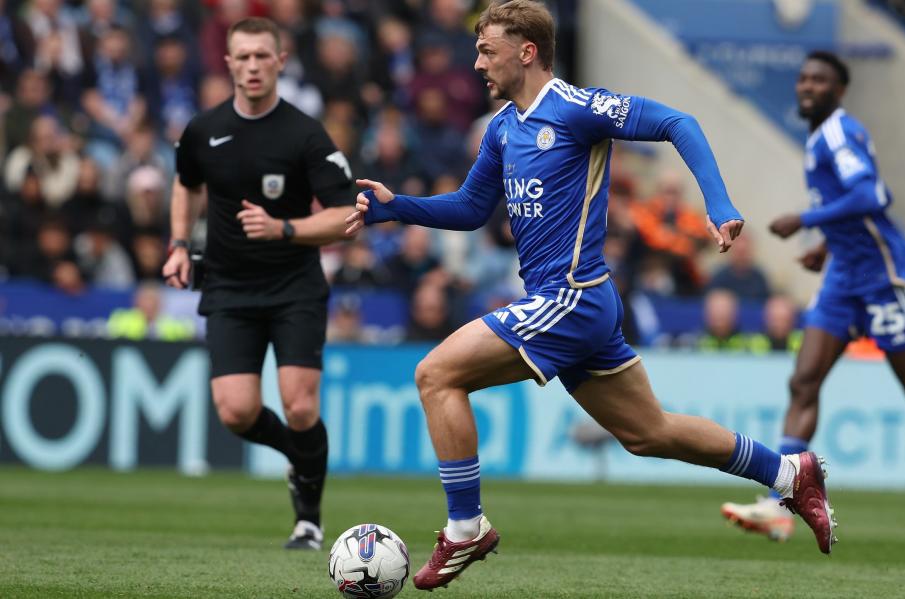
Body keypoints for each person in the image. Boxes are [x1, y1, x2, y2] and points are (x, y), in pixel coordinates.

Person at [344, 1, 837, 590]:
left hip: (572, 297)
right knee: (647, 432)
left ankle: (466, 527)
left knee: (435, 375)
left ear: (527, 52)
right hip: (580, 305)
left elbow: (679, 122)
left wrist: (720, 203)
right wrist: (398, 207)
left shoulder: (576, 109)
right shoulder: (504, 127)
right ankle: (790, 472)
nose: (476, 62)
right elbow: (472, 209)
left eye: (486, 50)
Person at [721, 50, 905, 541]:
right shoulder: (817, 137)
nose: (806, 86)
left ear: (839, 90)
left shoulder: (838, 132)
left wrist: (804, 222)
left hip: (882, 278)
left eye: (819, 80)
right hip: (844, 277)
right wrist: (827, 247)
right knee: (803, 381)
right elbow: (852, 207)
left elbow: (872, 196)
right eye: (803, 78)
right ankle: (777, 503)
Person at [161, 17, 355, 551]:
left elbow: (345, 216)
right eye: (242, 57)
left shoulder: (304, 133)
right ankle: (301, 456)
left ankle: (308, 520)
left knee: (299, 406)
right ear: (227, 62)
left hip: (294, 284)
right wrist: (179, 245)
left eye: (261, 57)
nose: (251, 66)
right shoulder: (203, 129)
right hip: (227, 286)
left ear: (280, 61)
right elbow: (186, 185)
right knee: (236, 412)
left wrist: (284, 228)